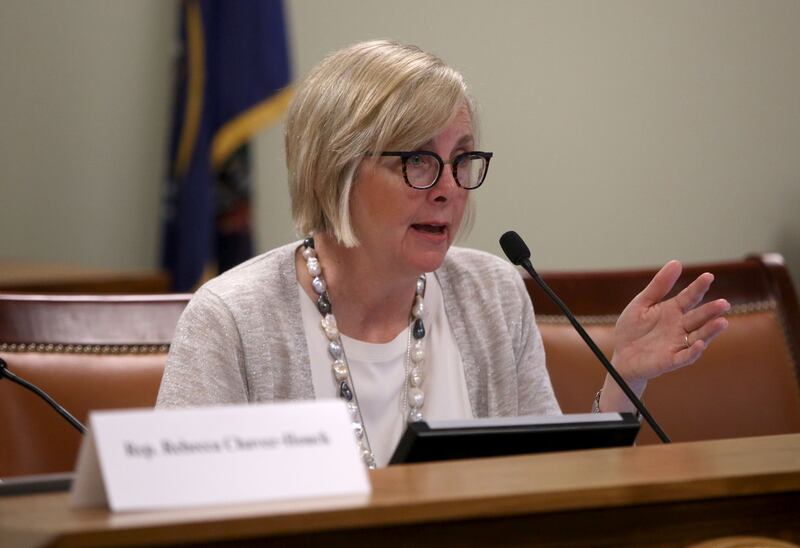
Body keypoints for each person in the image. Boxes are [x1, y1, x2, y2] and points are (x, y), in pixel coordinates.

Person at [156, 40, 730, 468]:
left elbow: (549, 484)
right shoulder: (231, 319)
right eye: (418, 160)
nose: (449, 187)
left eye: (462, 158)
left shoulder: (492, 293)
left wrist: (622, 381)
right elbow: (178, 505)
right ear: (337, 170)